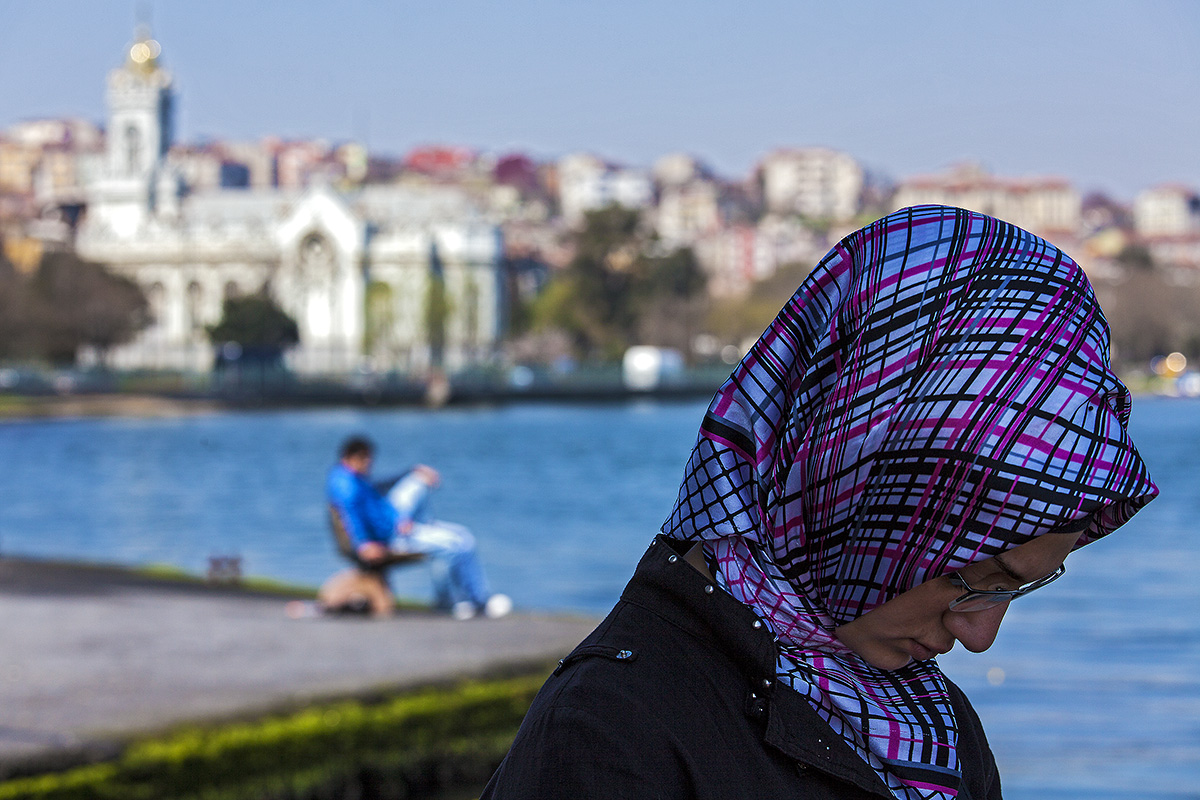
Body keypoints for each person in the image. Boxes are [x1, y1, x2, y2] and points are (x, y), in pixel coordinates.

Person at [481, 206, 1158, 799]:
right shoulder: (613, 735)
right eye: (974, 580)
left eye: (1019, 588)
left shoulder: (933, 731)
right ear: (862, 497)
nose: (980, 636)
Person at [326, 435, 511, 620]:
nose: (369, 463)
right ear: (351, 457)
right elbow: (350, 515)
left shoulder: (353, 478)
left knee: (419, 481)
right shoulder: (346, 485)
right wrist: (363, 544)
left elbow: (376, 488)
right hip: (391, 535)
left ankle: (471, 598)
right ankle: (458, 602)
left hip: (393, 522)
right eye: (365, 459)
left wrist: (410, 472)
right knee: (457, 544)